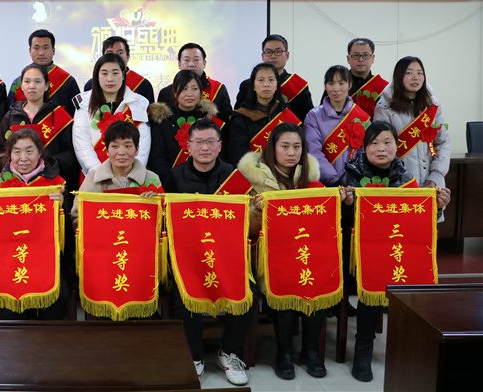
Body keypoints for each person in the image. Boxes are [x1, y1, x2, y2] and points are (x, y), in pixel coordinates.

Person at [339, 121, 451, 382]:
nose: (381, 148)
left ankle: (411, 344)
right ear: (364, 148)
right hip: (358, 258)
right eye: (374, 143)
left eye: (387, 142)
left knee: (414, 273)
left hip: (395, 252)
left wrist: (438, 207)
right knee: (374, 275)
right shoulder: (350, 177)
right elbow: (339, 225)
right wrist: (346, 206)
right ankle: (364, 347)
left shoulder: (406, 179)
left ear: (397, 147)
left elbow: (419, 223)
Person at [163, 119, 254, 384]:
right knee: (185, 294)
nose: (205, 147)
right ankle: (194, 356)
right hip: (188, 257)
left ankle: (228, 353)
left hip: (226, 257)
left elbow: (246, 220)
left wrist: (256, 208)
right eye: (199, 142)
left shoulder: (234, 177)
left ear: (220, 146)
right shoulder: (173, 177)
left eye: (211, 142)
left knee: (247, 292)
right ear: (188, 146)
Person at [237, 123, 328, 380]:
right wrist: (256, 212)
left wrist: (342, 201)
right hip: (268, 256)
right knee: (282, 282)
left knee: (319, 280)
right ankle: (284, 353)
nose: (291, 152)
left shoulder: (312, 180)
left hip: (306, 253)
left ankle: (310, 352)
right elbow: (244, 228)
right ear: (272, 148)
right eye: (285, 146)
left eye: (297, 147)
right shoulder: (252, 180)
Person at [0, 128, 67, 320]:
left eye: (29, 151)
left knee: (50, 320)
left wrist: (62, 208)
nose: (23, 158)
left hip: (47, 266)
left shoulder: (55, 184)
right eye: (17, 151)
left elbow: (68, 235)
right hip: (9, 263)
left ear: (40, 152)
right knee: (12, 325)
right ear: (9, 154)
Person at [373, 57, 450, 205]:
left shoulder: (433, 105)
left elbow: (443, 143)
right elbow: (381, 148)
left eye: (420, 73)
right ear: (399, 76)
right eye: (409, 73)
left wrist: (435, 177)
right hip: (399, 184)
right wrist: (402, 180)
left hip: (432, 182)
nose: (416, 77)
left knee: (430, 217)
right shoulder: (384, 107)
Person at [0, 63, 77, 188]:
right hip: (15, 183)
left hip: (49, 182)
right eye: (27, 81)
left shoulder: (60, 116)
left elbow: (70, 154)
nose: (32, 86)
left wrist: (45, 164)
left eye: (37, 81)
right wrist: (14, 163)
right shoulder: (11, 116)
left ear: (46, 86)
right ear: (22, 86)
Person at [73, 53, 150, 175]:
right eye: (104, 73)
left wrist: (133, 173)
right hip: (94, 177)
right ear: (97, 76)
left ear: (123, 75)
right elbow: (82, 144)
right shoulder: (84, 104)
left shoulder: (138, 103)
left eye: (115, 73)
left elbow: (143, 143)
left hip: (131, 176)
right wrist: (100, 174)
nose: (110, 79)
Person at [72, 120, 161, 218]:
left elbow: (164, 216)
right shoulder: (92, 179)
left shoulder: (151, 178)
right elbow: (77, 216)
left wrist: (155, 202)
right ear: (107, 150)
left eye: (128, 146)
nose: (121, 152)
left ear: (137, 149)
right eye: (115, 146)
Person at [148, 70, 219, 184]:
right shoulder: (162, 120)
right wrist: (170, 182)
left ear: (201, 92)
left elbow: (218, 154)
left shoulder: (209, 119)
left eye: (194, 89)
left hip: (206, 183)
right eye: (184, 89)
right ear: (175, 92)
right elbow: (158, 158)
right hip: (172, 183)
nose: (189, 94)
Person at [304, 65, 368, 186]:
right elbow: (313, 151)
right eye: (331, 83)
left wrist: (352, 180)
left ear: (350, 85)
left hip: (355, 184)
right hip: (325, 185)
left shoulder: (361, 117)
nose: (336, 88)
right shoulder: (313, 116)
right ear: (325, 86)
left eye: (341, 83)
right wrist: (335, 181)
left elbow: (365, 153)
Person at [235, 34, 313, 122]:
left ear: (287, 55)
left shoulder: (298, 86)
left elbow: (308, 120)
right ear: (263, 56)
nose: (273, 56)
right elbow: (238, 116)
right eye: (268, 52)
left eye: (278, 51)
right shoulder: (247, 85)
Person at [227, 62, 290, 166]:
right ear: (253, 86)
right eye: (261, 80)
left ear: (276, 85)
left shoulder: (286, 114)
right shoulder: (241, 118)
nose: (266, 84)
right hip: (253, 172)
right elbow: (238, 157)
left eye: (271, 80)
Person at [7, 29, 80, 116]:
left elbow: (77, 114)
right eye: (36, 48)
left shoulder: (68, 81)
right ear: (30, 51)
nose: (41, 53)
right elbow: (10, 114)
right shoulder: (19, 82)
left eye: (46, 48)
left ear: (53, 50)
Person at [157, 43, 232, 123]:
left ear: (204, 63)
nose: (191, 64)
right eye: (186, 60)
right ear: (179, 64)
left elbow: (227, 122)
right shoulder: (166, 92)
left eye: (196, 60)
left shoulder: (218, 89)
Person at [320, 38, 388, 116]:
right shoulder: (336, 84)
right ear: (348, 59)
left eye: (366, 55)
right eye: (356, 55)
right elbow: (323, 113)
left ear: (373, 58)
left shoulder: (384, 88)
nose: (361, 59)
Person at [83, 36, 155, 103]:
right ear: (103, 57)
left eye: (120, 53)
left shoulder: (143, 84)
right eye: (110, 53)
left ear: (128, 57)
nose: (115, 56)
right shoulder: (91, 85)